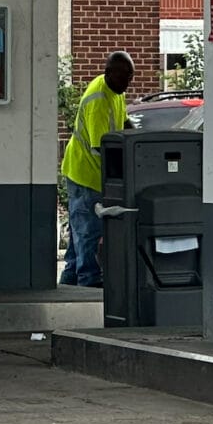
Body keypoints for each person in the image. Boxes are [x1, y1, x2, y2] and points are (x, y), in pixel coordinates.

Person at [59, 51, 134, 288]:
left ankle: (69, 283)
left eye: (129, 78)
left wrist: (140, 140)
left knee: (79, 236)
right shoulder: (98, 100)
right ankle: (88, 283)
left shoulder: (115, 91)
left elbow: (124, 123)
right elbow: (100, 147)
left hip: (91, 174)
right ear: (109, 73)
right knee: (87, 233)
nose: (127, 84)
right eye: (123, 78)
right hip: (85, 175)